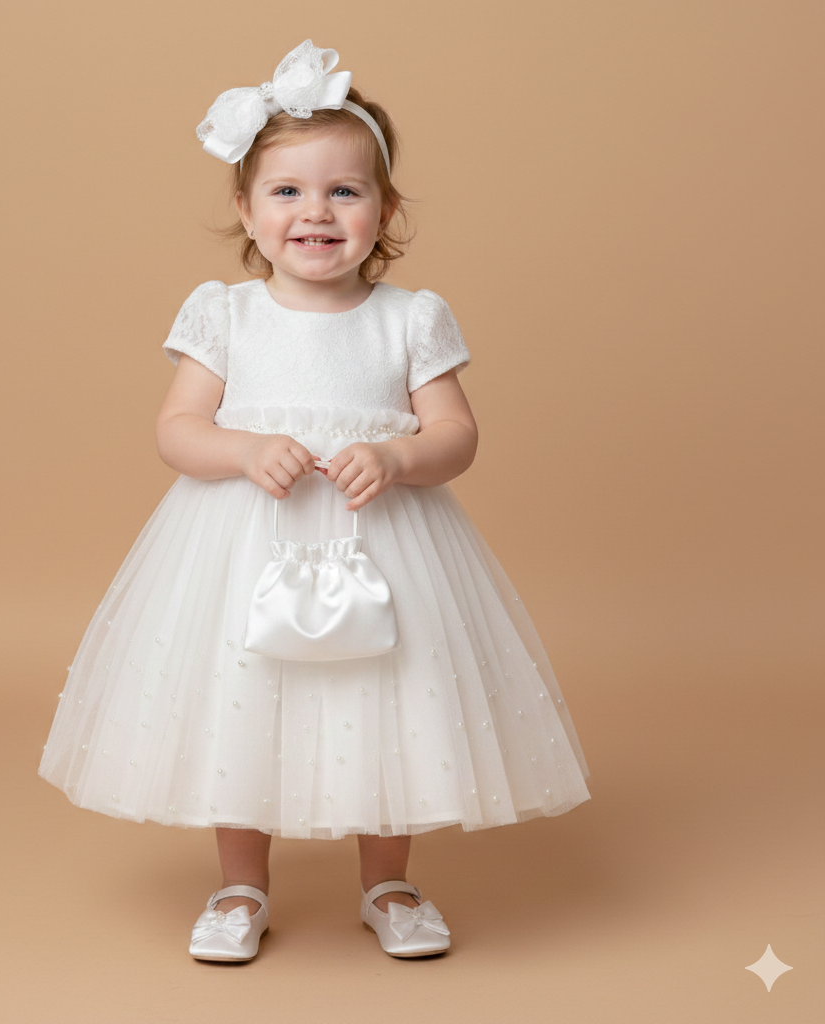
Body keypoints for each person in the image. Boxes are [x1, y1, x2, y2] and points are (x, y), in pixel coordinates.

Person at [39, 40, 590, 961]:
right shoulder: (225, 314)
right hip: (244, 543)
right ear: (247, 210)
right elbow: (176, 429)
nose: (316, 212)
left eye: (345, 191)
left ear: (385, 209)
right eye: (287, 191)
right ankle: (239, 887)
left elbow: (457, 434)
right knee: (242, 697)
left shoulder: (410, 318)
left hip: (382, 540)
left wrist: (398, 456)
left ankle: (389, 884)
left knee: (389, 696)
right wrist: (243, 448)